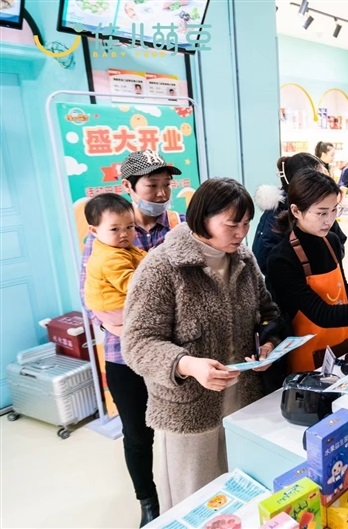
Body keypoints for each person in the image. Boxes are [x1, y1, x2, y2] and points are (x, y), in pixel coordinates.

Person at [123, 178, 280, 511]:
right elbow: (138, 343)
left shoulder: (244, 260)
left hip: (243, 402)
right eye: (232, 224)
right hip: (190, 410)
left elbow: (268, 312)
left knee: (242, 495)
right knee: (197, 502)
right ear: (202, 218)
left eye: (246, 224)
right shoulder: (162, 267)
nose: (241, 233)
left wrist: (268, 345)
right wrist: (188, 365)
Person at [79, 149, 182, 527]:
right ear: (129, 186)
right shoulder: (103, 235)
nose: (161, 193)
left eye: (166, 185)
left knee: (180, 426)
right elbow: (89, 296)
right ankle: (148, 502)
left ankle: (183, 491)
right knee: (138, 435)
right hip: (123, 353)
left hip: (176, 352)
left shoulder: (178, 225)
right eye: (152, 186)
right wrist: (124, 323)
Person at [267, 171, 348, 372]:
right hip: (310, 358)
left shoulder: (332, 241)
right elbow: (322, 314)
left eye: (334, 210)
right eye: (321, 213)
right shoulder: (282, 258)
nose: (329, 220)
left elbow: (344, 291)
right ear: (296, 211)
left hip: (346, 343)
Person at [252, 153, 347, 288]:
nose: (325, 182)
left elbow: (338, 243)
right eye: (318, 177)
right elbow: (264, 259)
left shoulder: (324, 211)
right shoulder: (274, 217)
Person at [83, 193, 147, 337]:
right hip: (113, 308)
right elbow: (131, 284)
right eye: (115, 229)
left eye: (130, 227)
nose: (124, 234)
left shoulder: (117, 246)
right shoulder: (110, 257)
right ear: (94, 231)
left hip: (114, 306)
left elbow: (140, 256)